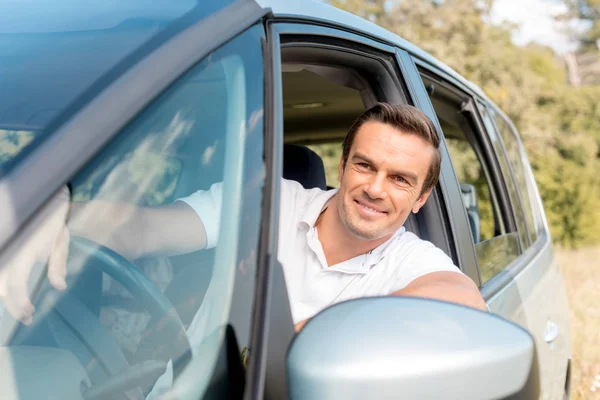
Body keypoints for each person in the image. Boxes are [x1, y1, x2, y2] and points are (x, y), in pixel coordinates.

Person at [0, 103, 485, 333]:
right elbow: (141, 228)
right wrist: (54, 216)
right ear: (341, 167)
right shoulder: (269, 200)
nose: (375, 189)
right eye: (365, 165)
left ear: (421, 199)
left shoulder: (412, 260)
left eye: (400, 179)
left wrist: (307, 337)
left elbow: (464, 302)